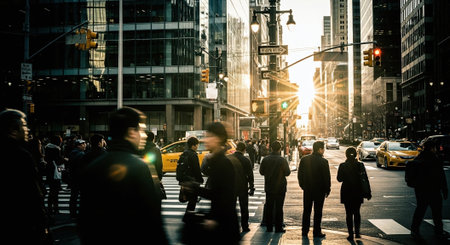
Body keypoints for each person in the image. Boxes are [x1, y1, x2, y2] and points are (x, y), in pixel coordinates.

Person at [78, 107, 168, 244]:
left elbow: (85, 221)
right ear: (132, 132)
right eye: (142, 130)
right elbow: (152, 220)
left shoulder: (94, 166)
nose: (144, 135)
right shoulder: (141, 167)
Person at [182, 122, 240, 244]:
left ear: (218, 139)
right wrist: (194, 188)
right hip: (224, 223)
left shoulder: (223, 162)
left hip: (224, 225)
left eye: (209, 136)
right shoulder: (217, 160)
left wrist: (215, 219)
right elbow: (217, 193)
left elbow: (225, 196)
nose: (205, 140)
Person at [0, 109, 52, 244]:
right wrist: (43, 224)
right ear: (13, 130)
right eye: (24, 125)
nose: (27, 129)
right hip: (24, 223)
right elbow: (33, 193)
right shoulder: (20, 155)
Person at [410, 140, 448, 240]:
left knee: (420, 209)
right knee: (437, 212)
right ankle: (439, 231)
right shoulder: (435, 159)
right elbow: (441, 176)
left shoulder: (419, 158)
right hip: (434, 189)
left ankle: (414, 230)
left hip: (421, 189)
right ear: (432, 148)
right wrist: (444, 190)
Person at [297, 141, 331, 238]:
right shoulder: (324, 161)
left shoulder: (304, 159)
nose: (323, 151)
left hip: (307, 189)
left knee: (306, 210)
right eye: (323, 149)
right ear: (320, 149)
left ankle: (305, 230)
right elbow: (326, 177)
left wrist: (303, 185)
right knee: (318, 211)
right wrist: (327, 189)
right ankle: (316, 231)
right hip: (320, 190)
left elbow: (300, 175)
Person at [337, 147, 371, 240]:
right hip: (358, 191)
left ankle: (350, 234)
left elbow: (339, 179)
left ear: (346, 155)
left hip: (346, 191)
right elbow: (365, 178)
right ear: (356, 154)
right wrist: (368, 192)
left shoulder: (342, 165)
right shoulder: (360, 165)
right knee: (357, 212)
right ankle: (357, 232)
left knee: (348, 213)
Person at [260, 141, 291, 233]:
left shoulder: (265, 159)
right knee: (279, 208)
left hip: (269, 186)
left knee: (269, 207)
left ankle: (269, 227)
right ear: (280, 149)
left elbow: (261, 172)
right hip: (280, 187)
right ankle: (278, 227)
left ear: (271, 148)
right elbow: (287, 173)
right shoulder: (282, 160)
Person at [177, 136, 204, 220]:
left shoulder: (184, 153)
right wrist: (200, 180)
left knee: (191, 201)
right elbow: (197, 170)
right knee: (193, 200)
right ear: (193, 145)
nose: (197, 147)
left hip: (185, 181)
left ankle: (188, 216)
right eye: (197, 145)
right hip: (192, 181)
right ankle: (187, 217)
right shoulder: (193, 155)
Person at [231, 142, 255, 232]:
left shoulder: (230, 158)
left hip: (231, 186)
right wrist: (251, 187)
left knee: (231, 207)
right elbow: (250, 176)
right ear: (244, 150)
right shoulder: (246, 160)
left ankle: (232, 225)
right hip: (242, 186)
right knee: (244, 207)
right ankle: (245, 226)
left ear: (236, 148)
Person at [44, 135, 65, 215]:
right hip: (55, 171)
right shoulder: (56, 149)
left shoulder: (47, 147)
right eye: (60, 141)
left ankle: (50, 208)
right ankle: (55, 208)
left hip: (49, 171)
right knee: (55, 191)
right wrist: (64, 160)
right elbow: (59, 161)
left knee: (52, 190)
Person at [67, 139, 86, 218]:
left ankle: (72, 211)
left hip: (73, 177)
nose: (84, 145)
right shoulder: (81, 154)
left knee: (73, 195)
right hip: (79, 177)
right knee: (81, 195)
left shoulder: (72, 153)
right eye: (82, 144)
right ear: (78, 145)